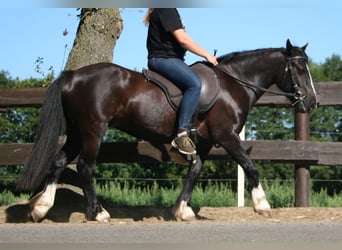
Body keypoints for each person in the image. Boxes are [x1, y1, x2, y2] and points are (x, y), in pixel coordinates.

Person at [144, 8, 218, 156]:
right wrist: (207, 55)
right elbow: (183, 39)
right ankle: (182, 135)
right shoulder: (166, 8)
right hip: (163, 59)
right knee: (194, 84)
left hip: (172, 59)